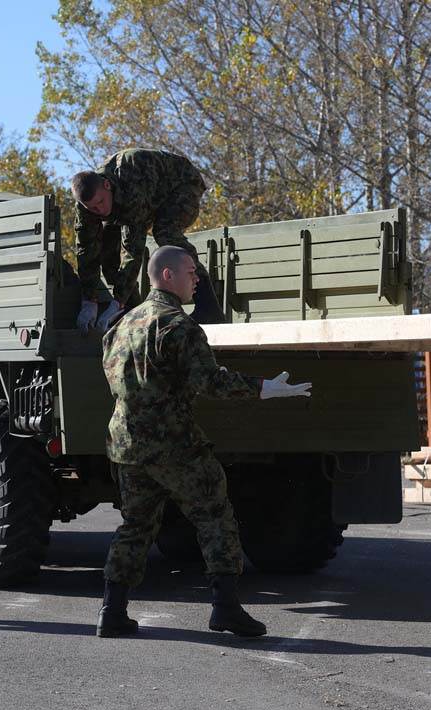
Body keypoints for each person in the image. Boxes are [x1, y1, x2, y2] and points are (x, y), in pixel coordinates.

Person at [96, 245, 311, 638]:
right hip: (174, 444)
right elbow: (209, 382)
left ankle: (112, 611)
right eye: (191, 272)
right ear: (167, 276)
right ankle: (225, 608)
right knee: (215, 516)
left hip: (127, 444)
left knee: (136, 524)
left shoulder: (121, 326)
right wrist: (266, 388)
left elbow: (114, 380)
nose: (197, 279)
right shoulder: (179, 326)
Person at [72, 148, 225, 331]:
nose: (100, 211)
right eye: (93, 208)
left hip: (182, 185)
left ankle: (209, 307)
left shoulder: (132, 180)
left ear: (107, 185)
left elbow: (133, 250)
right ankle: (131, 311)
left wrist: (117, 301)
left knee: (164, 232)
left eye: (101, 202)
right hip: (143, 197)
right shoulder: (85, 206)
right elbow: (86, 250)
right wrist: (89, 300)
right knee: (106, 248)